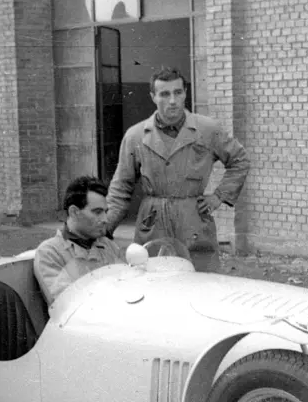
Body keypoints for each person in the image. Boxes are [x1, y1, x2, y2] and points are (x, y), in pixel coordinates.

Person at [106, 66, 249, 272]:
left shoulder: (208, 129)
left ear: (185, 94)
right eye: (164, 94)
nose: (172, 100)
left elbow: (240, 160)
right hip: (153, 221)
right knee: (152, 280)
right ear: (153, 97)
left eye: (177, 92)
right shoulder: (135, 136)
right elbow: (121, 186)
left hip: (193, 218)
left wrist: (219, 196)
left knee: (201, 280)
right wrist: (106, 227)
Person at [34, 176, 123, 304]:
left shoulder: (109, 246)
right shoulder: (50, 253)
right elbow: (64, 305)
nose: (105, 219)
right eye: (97, 212)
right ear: (74, 212)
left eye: (105, 212)